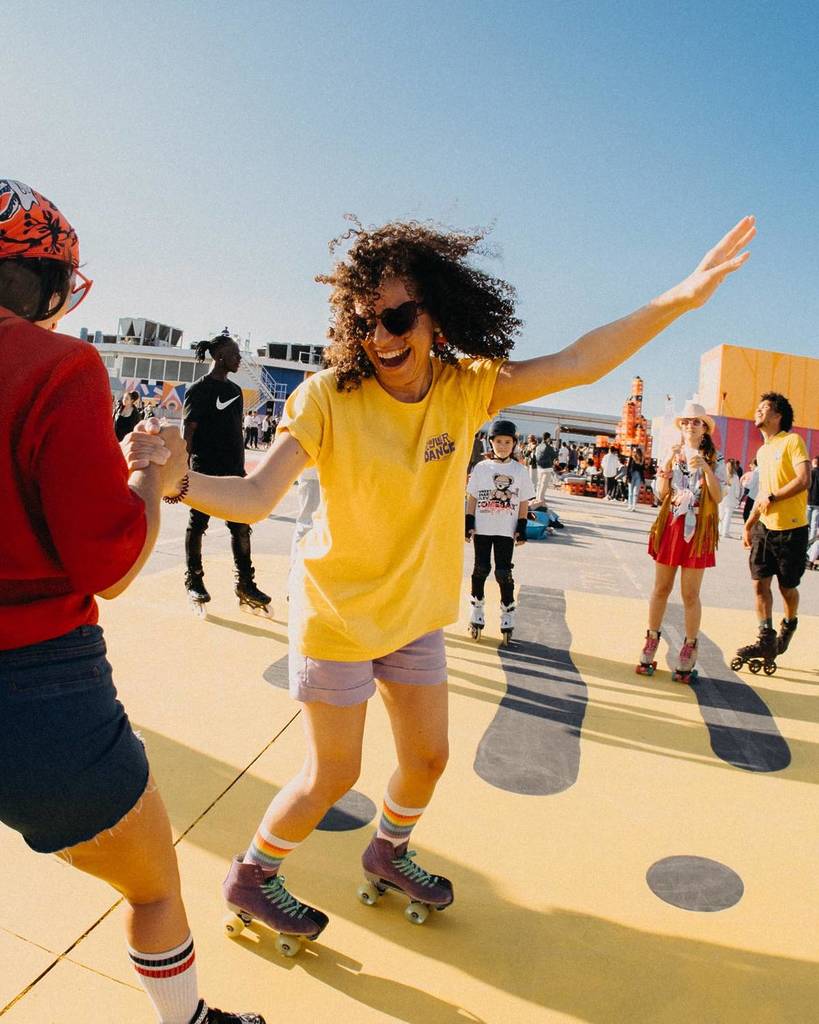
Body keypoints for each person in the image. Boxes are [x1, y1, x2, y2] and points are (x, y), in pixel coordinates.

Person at [155, 215, 754, 945]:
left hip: (412, 615)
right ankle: (252, 875)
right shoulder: (325, 397)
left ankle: (387, 851)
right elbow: (254, 497)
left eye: (399, 317)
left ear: (434, 314)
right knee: (332, 774)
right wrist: (180, 482)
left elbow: (579, 361)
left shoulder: (463, 387)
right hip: (337, 616)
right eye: (366, 322)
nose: (382, 337)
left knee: (427, 760)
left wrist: (681, 298)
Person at [0, 179, 264, 1024]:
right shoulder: (58, 365)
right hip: (35, 688)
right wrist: (152, 476)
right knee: (152, 886)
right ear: (39, 279)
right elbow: (107, 561)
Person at [182, 332, 271, 615]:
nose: (239, 359)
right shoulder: (198, 390)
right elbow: (189, 432)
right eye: (235, 354)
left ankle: (245, 583)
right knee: (198, 524)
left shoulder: (235, 391)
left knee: (241, 526)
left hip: (234, 471)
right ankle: (193, 579)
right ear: (220, 357)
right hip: (205, 470)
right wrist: (183, 469)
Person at [637, 401, 727, 682]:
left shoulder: (716, 458)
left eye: (696, 422)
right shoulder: (672, 455)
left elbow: (719, 496)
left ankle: (689, 646)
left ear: (705, 429)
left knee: (690, 593)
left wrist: (706, 468)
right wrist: (665, 465)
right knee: (661, 587)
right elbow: (662, 494)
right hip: (673, 525)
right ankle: (651, 639)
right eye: (686, 421)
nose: (690, 425)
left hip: (699, 528)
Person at [736, 393, 811, 665]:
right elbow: (763, 494)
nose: (757, 411)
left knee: (787, 588)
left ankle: (789, 624)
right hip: (765, 529)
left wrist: (773, 498)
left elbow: (804, 480)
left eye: (764, 408)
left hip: (792, 531)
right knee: (759, 584)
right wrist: (749, 524)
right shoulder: (762, 451)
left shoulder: (792, 441)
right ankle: (765, 640)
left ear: (777, 416)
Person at [465, 418, 534, 642]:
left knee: (503, 572)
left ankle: (508, 611)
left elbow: (523, 501)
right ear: (491, 442)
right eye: (498, 441)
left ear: (514, 444)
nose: (502, 446)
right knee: (480, 568)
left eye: (507, 442)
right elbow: (472, 496)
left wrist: (522, 526)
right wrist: (468, 520)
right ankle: (476, 608)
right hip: (483, 527)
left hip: (506, 529)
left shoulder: (520, 471)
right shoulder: (482, 468)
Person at [719, 458, 742, 538]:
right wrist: (737, 497)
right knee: (727, 516)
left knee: (721, 515)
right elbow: (737, 489)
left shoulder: (722, 474)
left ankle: (719, 530)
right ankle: (725, 532)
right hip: (731, 499)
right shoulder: (735, 477)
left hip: (722, 497)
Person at [534, 431, 556, 501]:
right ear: (548, 438)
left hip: (539, 466)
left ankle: (537, 497)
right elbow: (554, 455)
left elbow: (536, 456)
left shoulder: (538, 446)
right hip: (547, 467)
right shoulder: (548, 447)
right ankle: (541, 498)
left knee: (539, 483)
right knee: (544, 484)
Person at [626, 445, 645, 510]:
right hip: (631, 475)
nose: (634, 453)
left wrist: (643, 480)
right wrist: (627, 477)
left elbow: (642, 470)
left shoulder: (642, 460)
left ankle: (633, 506)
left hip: (638, 476)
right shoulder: (631, 458)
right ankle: (630, 505)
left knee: (635, 492)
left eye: (635, 452)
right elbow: (628, 468)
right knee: (630, 492)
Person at [807, 455, 819, 539]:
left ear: (813, 462)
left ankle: (804, 539)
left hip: (809, 501)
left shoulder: (809, 473)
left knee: (806, 523)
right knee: (814, 524)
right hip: (818, 503)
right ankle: (811, 542)